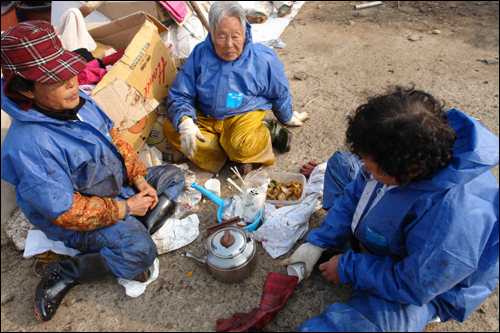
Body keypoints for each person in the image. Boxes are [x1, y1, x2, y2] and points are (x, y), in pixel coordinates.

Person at [1, 21, 185, 323]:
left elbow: (113, 137)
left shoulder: (79, 102)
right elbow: (67, 213)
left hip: (115, 189)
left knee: (172, 178)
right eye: (57, 79)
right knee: (141, 253)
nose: (72, 82)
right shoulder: (30, 145)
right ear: (25, 90)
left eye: (69, 71)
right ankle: (68, 272)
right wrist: (127, 208)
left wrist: (139, 179)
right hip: (77, 219)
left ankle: (133, 232)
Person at [281, 87, 499, 331]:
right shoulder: (404, 154)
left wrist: (349, 267)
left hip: (426, 284)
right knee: (341, 163)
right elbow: (358, 190)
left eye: (373, 168)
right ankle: (353, 243)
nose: (366, 171)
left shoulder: (453, 218)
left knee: (379, 324)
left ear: (411, 170)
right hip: (390, 231)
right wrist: (320, 240)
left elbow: (414, 284)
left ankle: (419, 310)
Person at [163, 1, 310, 175]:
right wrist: (185, 121)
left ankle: (269, 132)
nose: (229, 44)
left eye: (235, 35)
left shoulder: (262, 59)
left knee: (240, 146)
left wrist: (286, 116)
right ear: (211, 34)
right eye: (221, 36)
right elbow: (181, 93)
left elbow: (279, 91)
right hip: (208, 115)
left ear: (245, 33)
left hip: (243, 113)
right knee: (174, 130)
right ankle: (229, 154)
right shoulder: (200, 54)